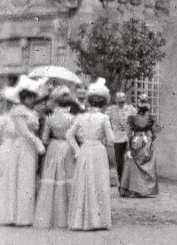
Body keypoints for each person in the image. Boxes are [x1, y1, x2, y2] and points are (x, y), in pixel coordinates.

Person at [67, 78, 115, 231]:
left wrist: (77, 150)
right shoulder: (104, 118)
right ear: (103, 103)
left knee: (85, 182)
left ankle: (82, 220)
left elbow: (69, 135)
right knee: (98, 183)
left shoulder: (80, 117)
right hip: (98, 150)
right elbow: (111, 140)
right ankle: (98, 220)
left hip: (85, 150)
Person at [0, 76, 47, 226]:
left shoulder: (30, 111)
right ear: (24, 97)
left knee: (27, 179)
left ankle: (24, 216)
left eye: (33, 97)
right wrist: (38, 142)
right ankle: (17, 216)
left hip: (28, 148)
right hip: (21, 146)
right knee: (21, 179)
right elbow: (24, 131)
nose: (33, 100)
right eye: (30, 97)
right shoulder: (18, 111)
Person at [34, 86, 76, 228]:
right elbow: (75, 136)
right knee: (67, 177)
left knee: (53, 178)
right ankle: (67, 214)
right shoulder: (72, 118)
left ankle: (51, 215)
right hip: (67, 146)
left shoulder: (50, 118)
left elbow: (45, 139)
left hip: (53, 147)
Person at [119, 94, 159, 198]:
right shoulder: (151, 118)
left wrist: (129, 146)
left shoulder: (132, 118)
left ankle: (131, 189)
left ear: (138, 106)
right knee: (147, 166)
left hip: (135, 141)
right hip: (146, 142)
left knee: (132, 165)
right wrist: (148, 141)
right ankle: (144, 189)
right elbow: (155, 134)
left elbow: (129, 134)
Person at [0, 87, 20, 225]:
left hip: (17, 150)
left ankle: (13, 215)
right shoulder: (2, 119)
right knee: (3, 180)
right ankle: (3, 214)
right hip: (5, 149)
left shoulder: (17, 118)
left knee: (13, 180)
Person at [108, 91, 137, 184]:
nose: (122, 99)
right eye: (119, 98)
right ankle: (121, 184)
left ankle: (130, 185)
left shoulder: (130, 109)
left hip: (129, 138)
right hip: (117, 139)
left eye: (123, 97)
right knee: (119, 163)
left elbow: (137, 120)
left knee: (131, 162)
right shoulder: (111, 110)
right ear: (115, 99)